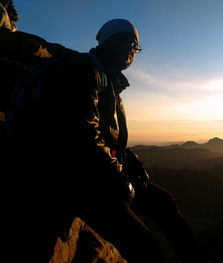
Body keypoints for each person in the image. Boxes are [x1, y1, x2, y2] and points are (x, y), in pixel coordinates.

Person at [7, 19, 203, 263]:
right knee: (145, 246)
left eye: (135, 45)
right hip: (74, 178)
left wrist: (130, 162)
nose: (130, 48)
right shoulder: (84, 70)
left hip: (96, 171)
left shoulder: (107, 79)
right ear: (106, 41)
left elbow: (108, 136)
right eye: (123, 39)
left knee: (164, 203)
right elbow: (80, 135)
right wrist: (120, 179)